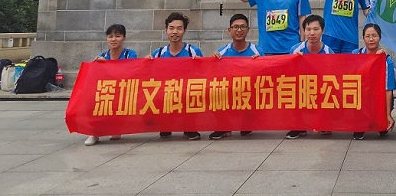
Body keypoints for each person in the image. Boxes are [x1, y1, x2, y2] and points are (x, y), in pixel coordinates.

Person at [209, 14, 263, 140]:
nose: (239, 30)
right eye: (236, 27)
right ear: (229, 30)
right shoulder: (221, 52)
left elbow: (264, 75)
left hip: (248, 91)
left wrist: (260, 62)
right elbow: (212, 75)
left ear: (248, 30)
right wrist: (212, 61)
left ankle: (247, 121)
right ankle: (223, 126)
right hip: (229, 91)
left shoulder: (257, 51)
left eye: (243, 27)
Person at [150, 12, 203, 140]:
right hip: (166, 92)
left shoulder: (193, 51)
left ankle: (189, 126)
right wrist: (146, 63)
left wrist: (200, 62)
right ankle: (165, 124)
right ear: (166, 30)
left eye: (179, 28)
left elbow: (202, 75)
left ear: (184, 30)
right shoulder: (158, 53)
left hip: (186, 93)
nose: (175, 32)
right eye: (171, 28)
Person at [84, 24, 137, 146]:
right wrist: (96, 65)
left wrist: (108, 66)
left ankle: (115, 128)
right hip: (107, 91)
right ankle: (94, 132)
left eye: (117, 36)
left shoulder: (130, 54)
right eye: (110, 36)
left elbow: (131, 72)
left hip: (124, 90)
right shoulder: (102, 56)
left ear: (124, 38)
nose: (114, 39)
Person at [286, 14, 334, 139]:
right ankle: (297, 125)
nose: (312, 33)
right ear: (304, 31)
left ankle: (323, 121)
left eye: (316, 29)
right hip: (302, 87)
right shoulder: (295, 49)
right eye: (308, 29)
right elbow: (288, 74)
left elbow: (332, 77)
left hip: (320, 87)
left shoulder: (329, 52)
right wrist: (295, 61)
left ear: (322, 31)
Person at [352, 23, 396, 139]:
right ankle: (360, 122)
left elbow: (388, 89)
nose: (371, 39)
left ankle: (381, 119)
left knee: (382, 128)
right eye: (368, 36)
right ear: (363, 38)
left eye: (374, 36)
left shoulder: (386, 60)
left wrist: (388, 115)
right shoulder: (356, 54)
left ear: (380, 37)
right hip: (361, 96)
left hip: (378, 97)